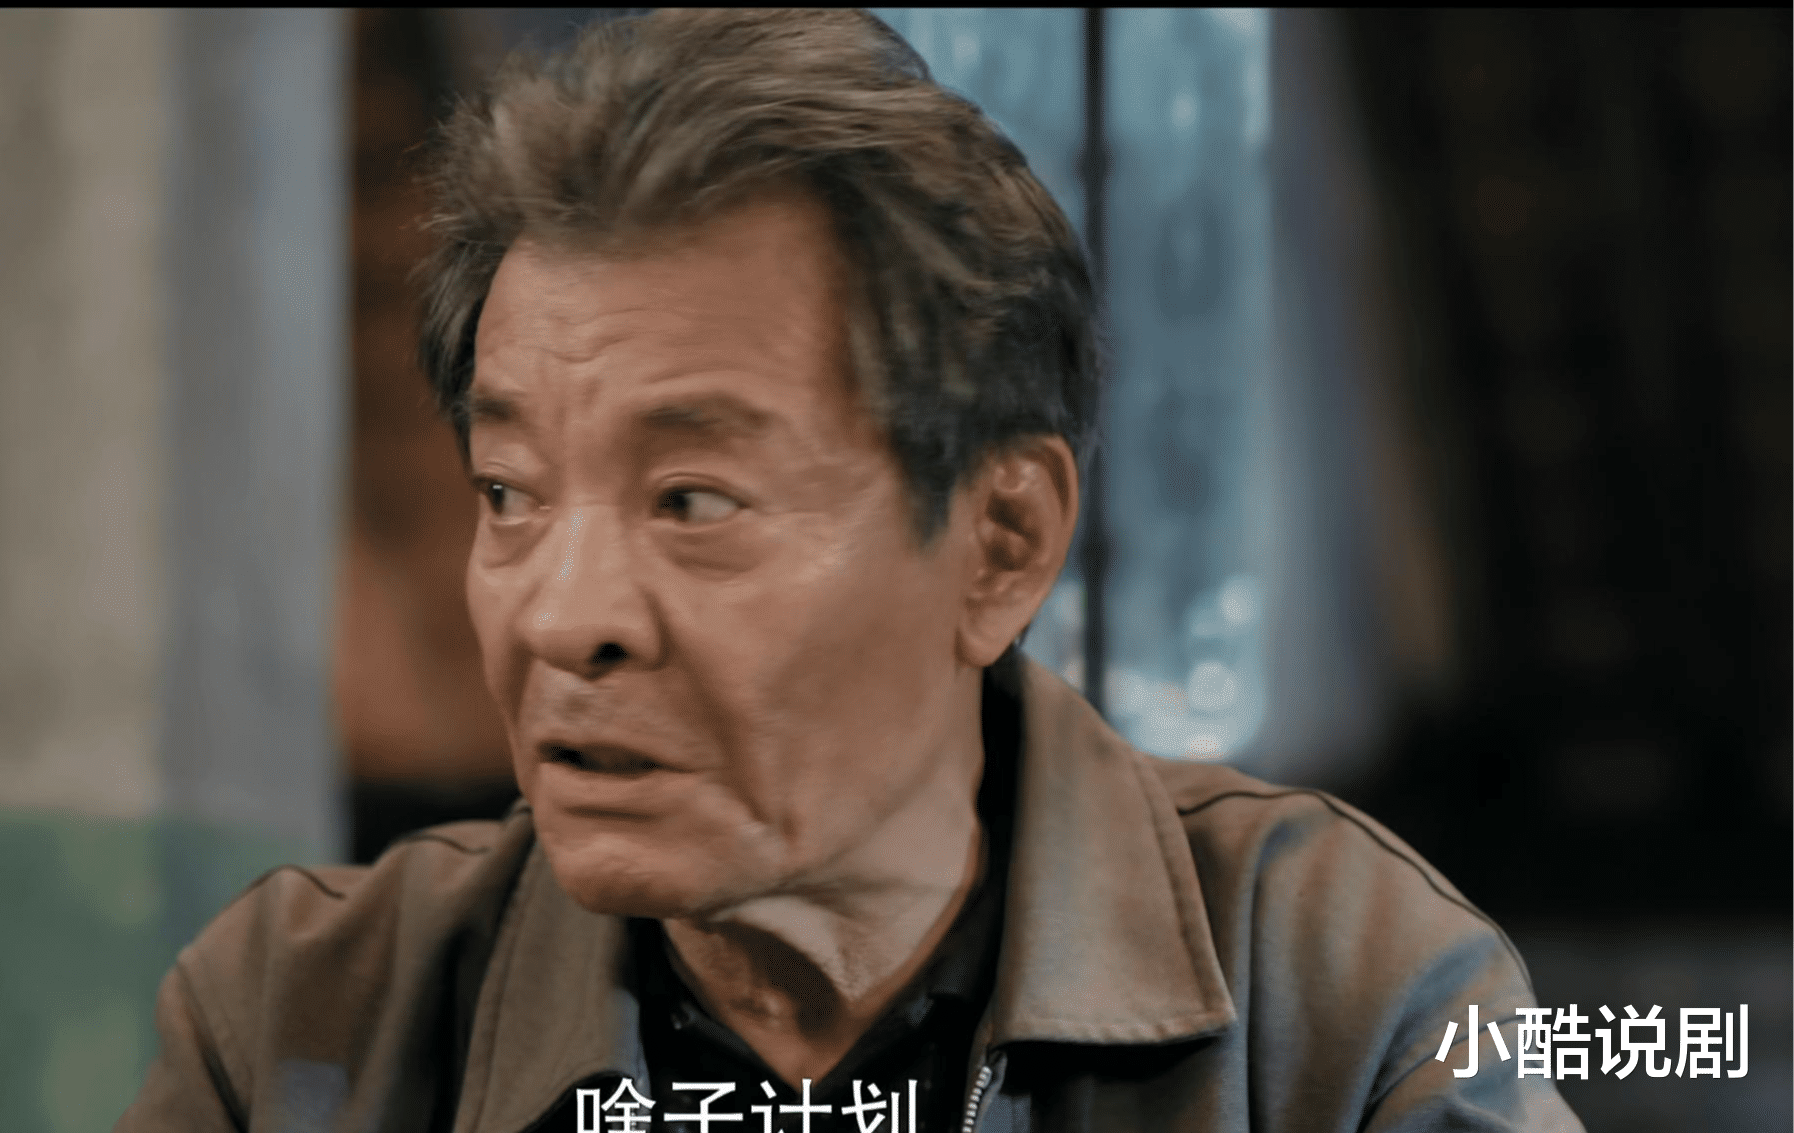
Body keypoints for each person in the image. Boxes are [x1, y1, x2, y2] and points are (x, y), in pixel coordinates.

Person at [117, 10, 1580, 1132]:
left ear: (1000, 544)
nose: (565, 617)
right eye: (509, 495)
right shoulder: (308, 1024)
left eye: (693, 501)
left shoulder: (1338, 987)